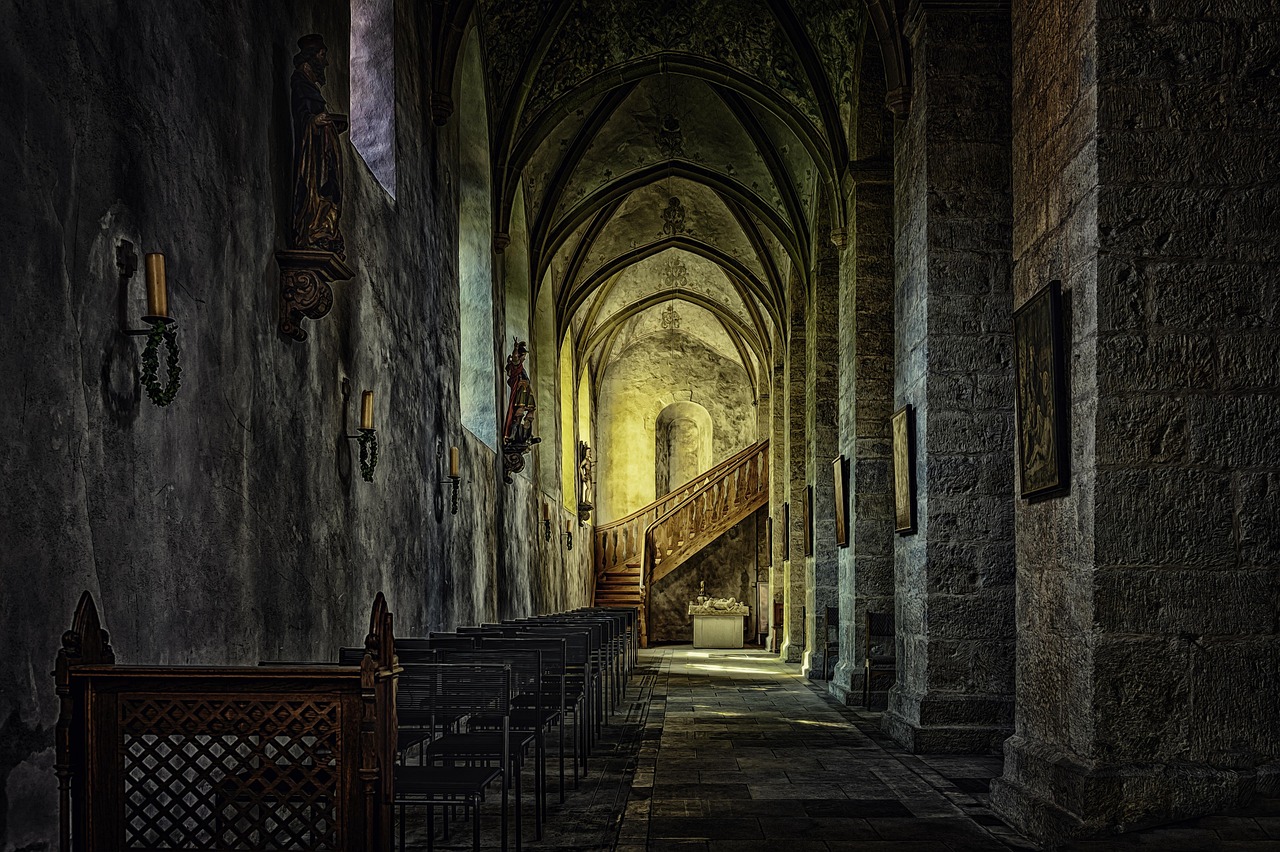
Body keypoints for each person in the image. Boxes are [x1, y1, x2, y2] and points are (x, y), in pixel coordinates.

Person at [290, 34, 347, 258]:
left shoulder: (311, 87)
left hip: (323, 152)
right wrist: (314, 122)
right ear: (311, 57)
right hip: (313, 156)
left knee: (330, 188)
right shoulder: (299, 82)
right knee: (316, 188)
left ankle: (323, 230)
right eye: (323, 55)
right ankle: (312, 231)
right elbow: (301, 115)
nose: (326, 62)